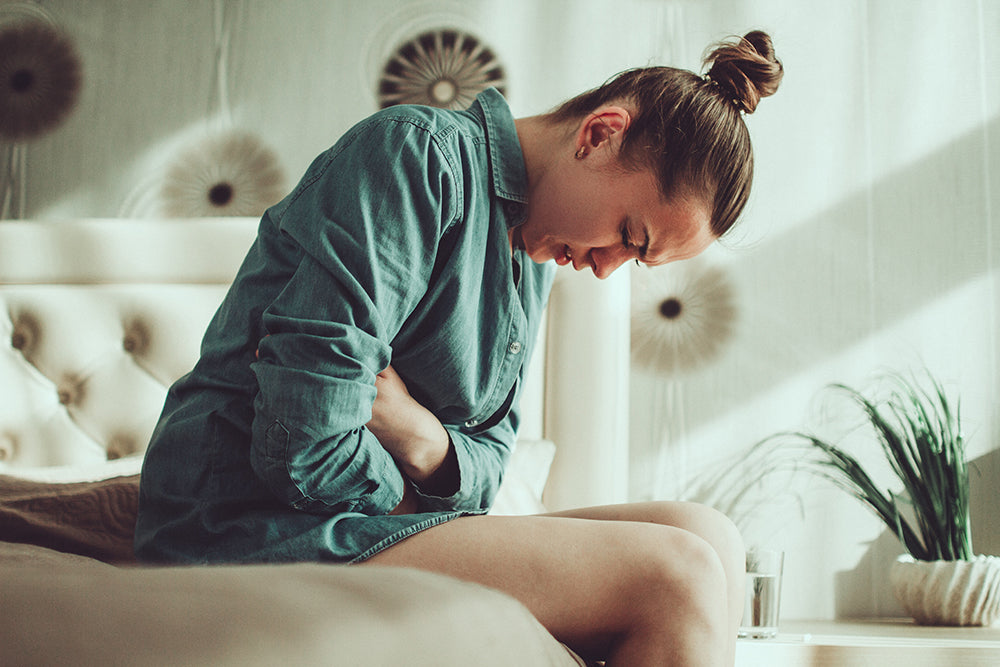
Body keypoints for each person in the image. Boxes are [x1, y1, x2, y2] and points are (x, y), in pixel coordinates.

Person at [136, 29, 783, 666]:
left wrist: (419, 435)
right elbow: (303, 438)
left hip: (362, 516)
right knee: (677, 576)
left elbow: (490, 463)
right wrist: (419, 494)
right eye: (628, 234)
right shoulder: (416, 158)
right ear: (599, 133)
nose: (608, 268)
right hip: (249, 520)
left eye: (635, 259)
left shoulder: (532, 250)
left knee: (707, 535)